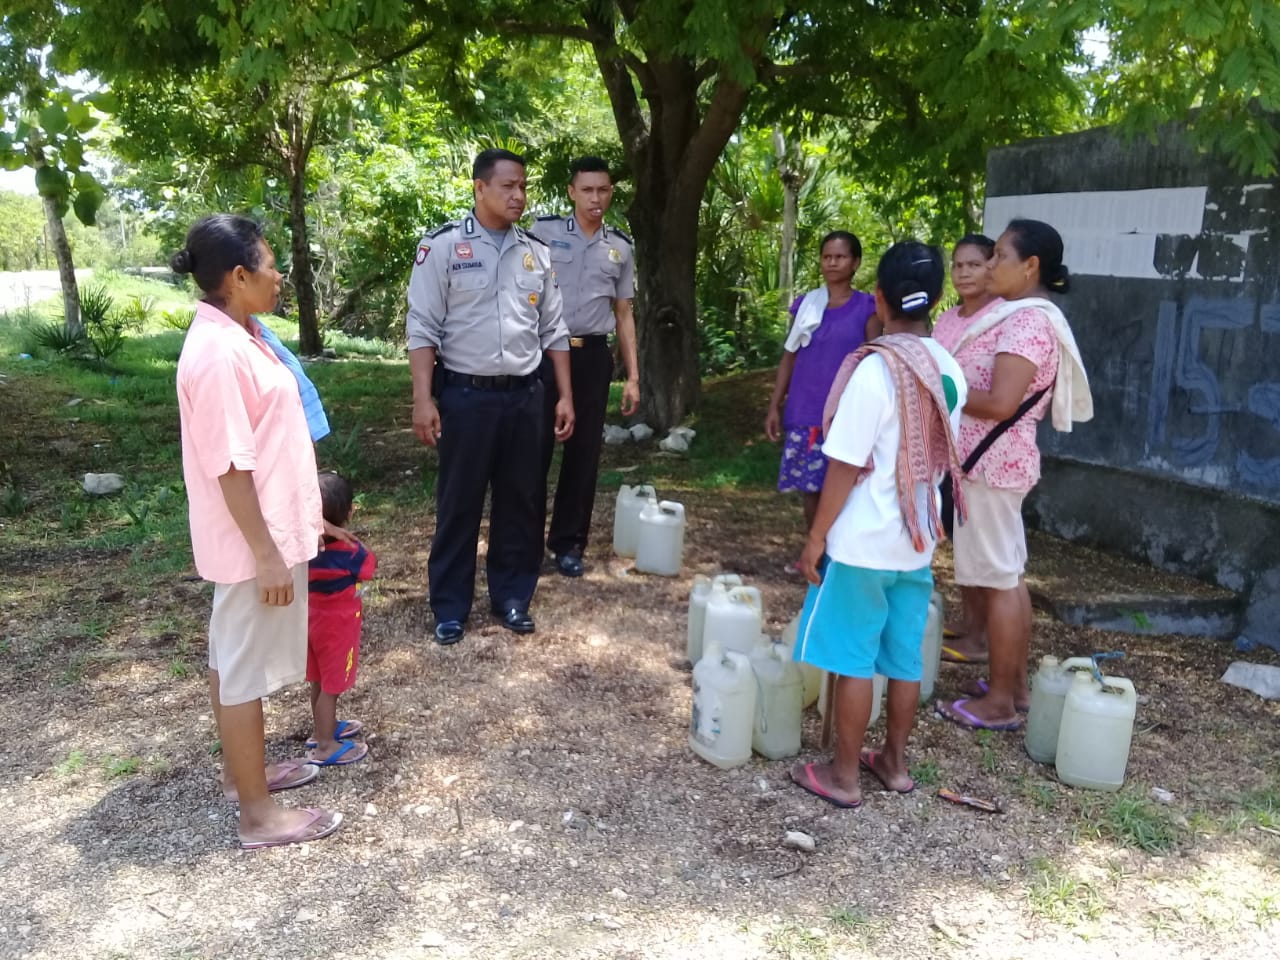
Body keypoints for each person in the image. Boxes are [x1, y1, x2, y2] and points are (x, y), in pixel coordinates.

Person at [173, 214, 343, 850]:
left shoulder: (243, 334)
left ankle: (238, 776)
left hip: (263, 534)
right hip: (252, 545)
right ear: (238, 276)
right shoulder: (217, 354)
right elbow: (230, 466)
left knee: (229, 659)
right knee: (241, 670)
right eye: (269, 266)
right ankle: (257, 814)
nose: (279, 277)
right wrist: (268, 555)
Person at [788, 241, 968, 809]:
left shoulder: (875, 370)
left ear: (880, 297)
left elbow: (843, 466)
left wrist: (815, 537)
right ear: (937, 299)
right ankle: (893, 762)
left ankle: (842, 776)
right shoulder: (949, 369)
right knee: (903, 658)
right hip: (916, 541)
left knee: (852, 658)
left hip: (863, 540)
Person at [407, 148, 574, 645]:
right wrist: (422, 398)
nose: (518, 195)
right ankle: (451, 607)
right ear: (480, 188)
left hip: (525, 397)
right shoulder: (442, 247)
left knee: (521, 501)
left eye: (523, 185)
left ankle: (512, 597)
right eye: (508, 186)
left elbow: (554, 330)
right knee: (459, 502)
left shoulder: (537, 254)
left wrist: (564, 395)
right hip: (465, 396)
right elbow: (422, 327)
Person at [936, 219, 1091, 731]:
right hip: (993, 465)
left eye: (1000, 256)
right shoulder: (1018, 316)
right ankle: (1015, 688)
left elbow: (1002, 402)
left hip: (993, 465)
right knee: (1008, 578)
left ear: (1031, 267)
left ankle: (1000, 701)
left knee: (1001, 582)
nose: (990, 265)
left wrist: (940, 391)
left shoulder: (1027, 323)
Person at [531, 156, 638, 578]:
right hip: (541, 354)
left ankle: (568, 544)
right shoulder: (543, 233)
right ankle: (526, 544)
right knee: (532, 451)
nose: (596, 199)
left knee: (584, 453)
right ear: (572, 192)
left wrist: (633, 377)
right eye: (588, 190)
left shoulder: (621, 247)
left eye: (604, 190)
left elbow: (624, 312)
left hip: (592, 356)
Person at [764, 232, 879, 548]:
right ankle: (818, 555)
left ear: (855, 262)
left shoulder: (867, 308)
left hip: (847, 413)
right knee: (811, 487)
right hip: (805, 409)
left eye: (840, 257)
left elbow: (875, 359)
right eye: (827, 256)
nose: (832, 263)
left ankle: (842, 555)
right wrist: (775, 404)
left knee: (846, 486)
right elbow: (790, 356)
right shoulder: (806, 305)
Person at [931, 234, 1000, 662]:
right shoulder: (947, 321)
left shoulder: (1002, 319)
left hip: (986, 450)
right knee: (963, 545)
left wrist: (947, 393)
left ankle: (984, 636)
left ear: (994, 267)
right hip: (950, 447)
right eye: (958, 265)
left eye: (974, 264)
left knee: (983, 551)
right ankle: (971, 622)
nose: (964, 273)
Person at [305, 471, 375, 766]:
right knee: (332, 687)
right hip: (338, 627)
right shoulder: (350, 550)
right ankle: (325, 745)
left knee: (319, 681)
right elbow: (368, 569)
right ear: (349, 511)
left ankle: (324, 728)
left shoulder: (304, 549)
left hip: (310, 623)